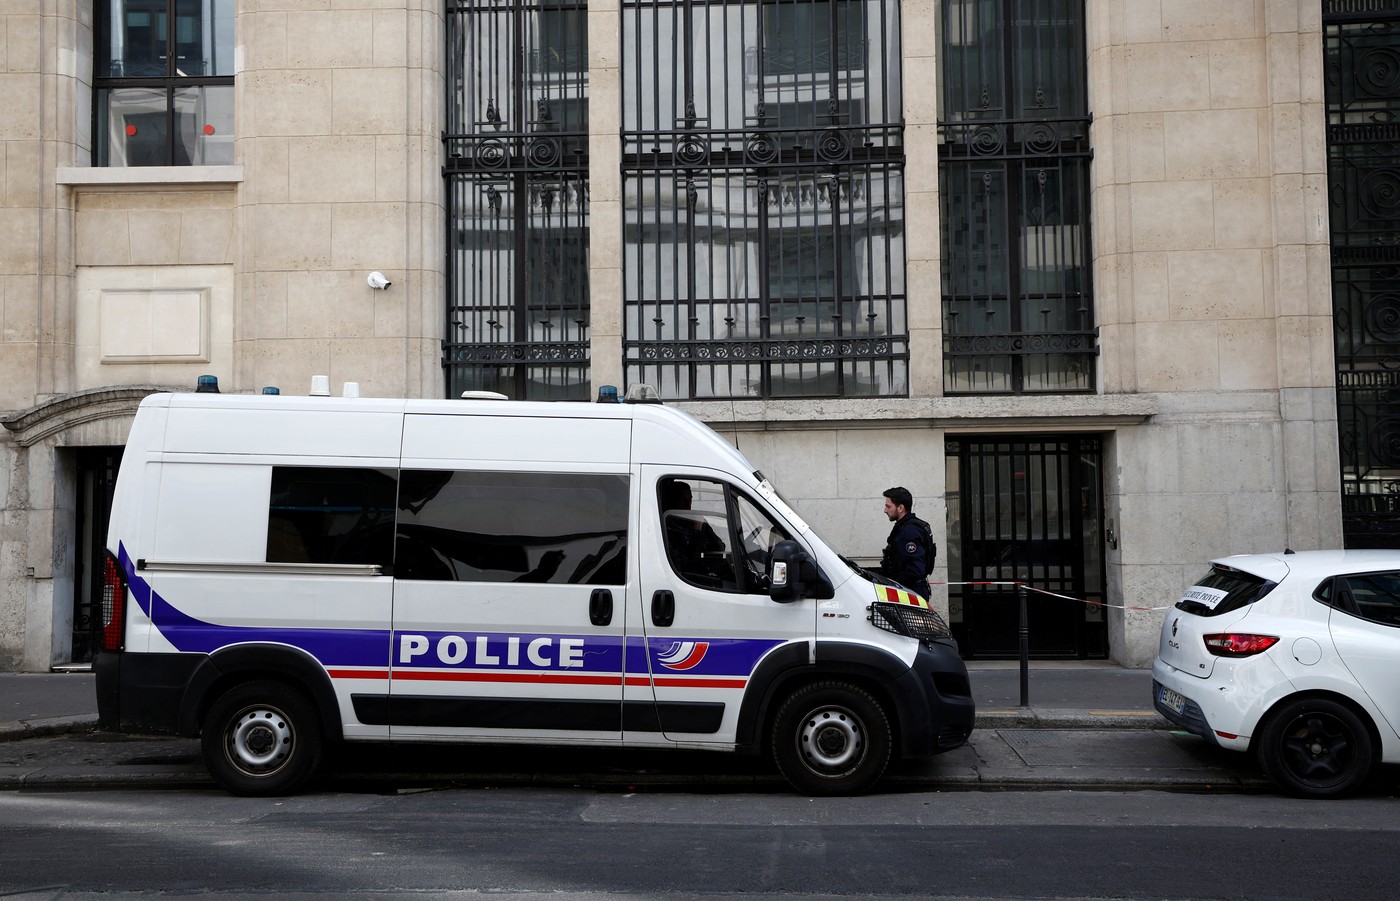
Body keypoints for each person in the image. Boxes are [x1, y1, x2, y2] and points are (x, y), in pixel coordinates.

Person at [662, 480, 728, 584]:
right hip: (688, 579)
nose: (688, 504)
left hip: (707, 574)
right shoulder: (668, 524)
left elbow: (719, 546)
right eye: (682, 499)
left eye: (690, 499)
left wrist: (714, 570)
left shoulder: (695, 518)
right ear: (673, 500)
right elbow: (690, 558)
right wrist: (697, 531)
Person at [879, 486, 936, 600]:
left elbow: (915, 569)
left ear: (900, 508)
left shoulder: (909, 532)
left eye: (888, 506)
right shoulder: (905, 527)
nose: (885, 510)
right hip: (907, 590)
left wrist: (893, 584)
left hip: (910, 592)